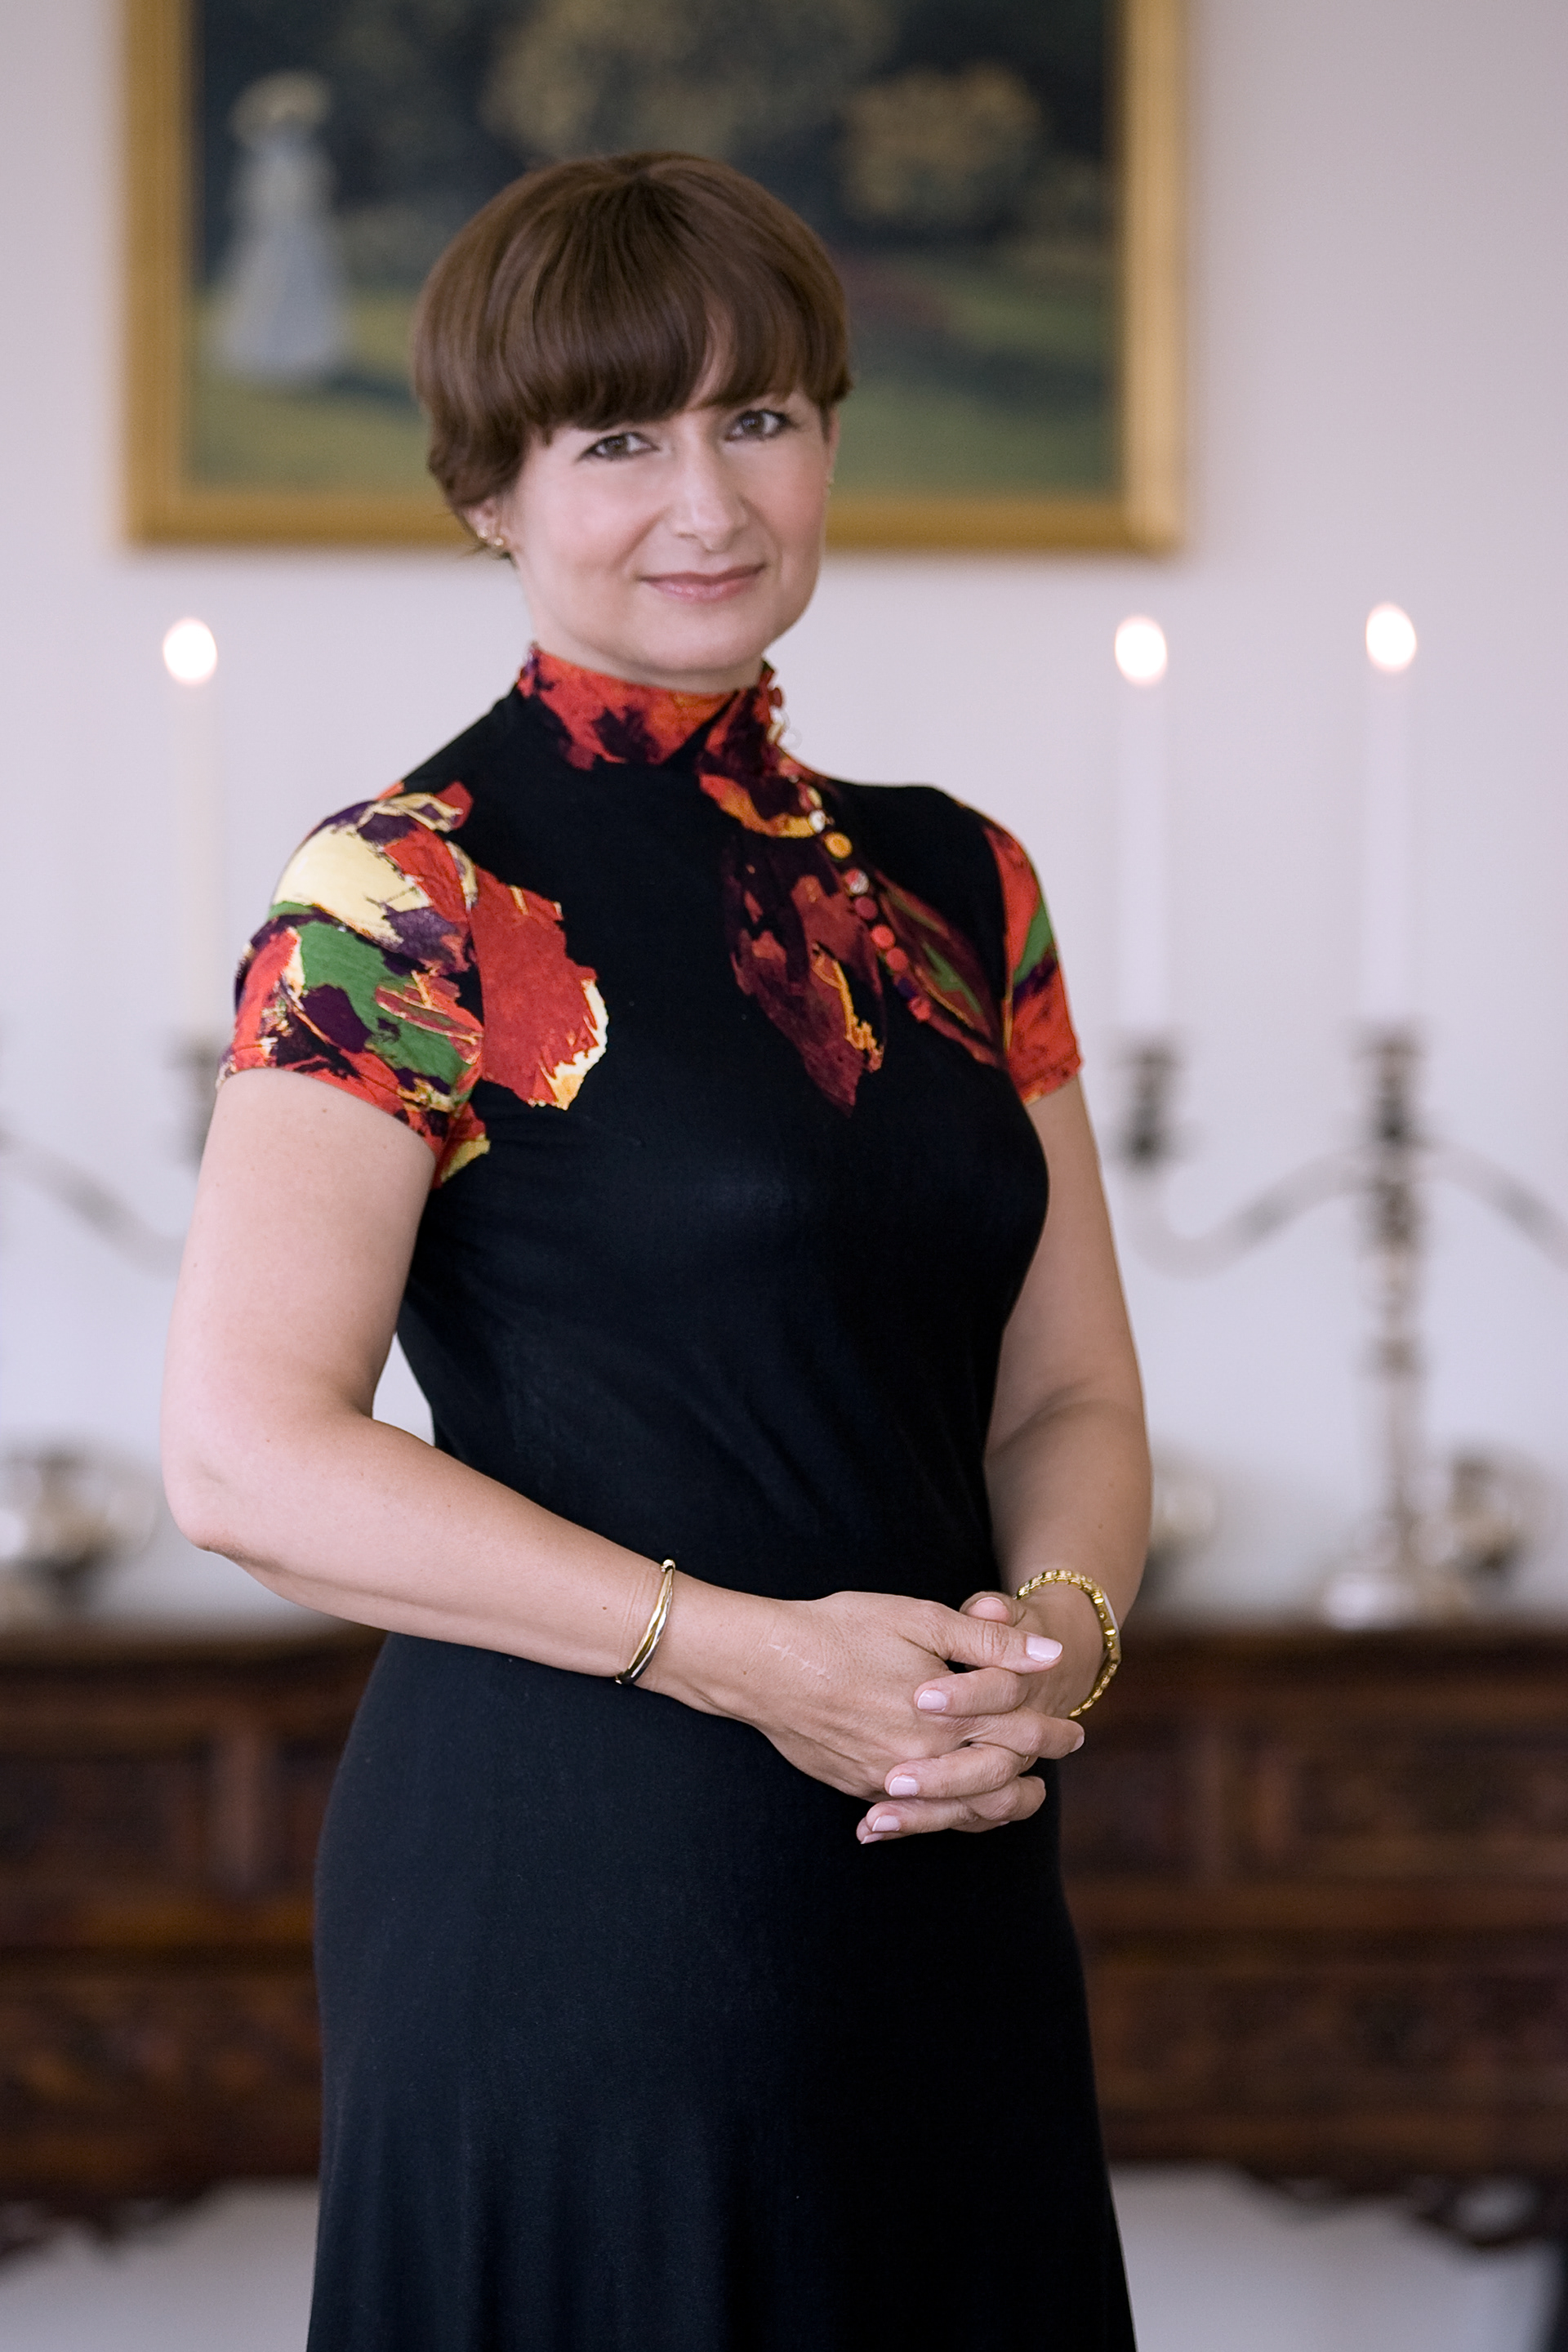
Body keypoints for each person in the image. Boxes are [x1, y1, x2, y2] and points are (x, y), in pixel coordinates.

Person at [163, 150, 1150, 2352]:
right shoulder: (405, 890)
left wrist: (1057, 1653)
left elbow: (1071, 1393)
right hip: (584, 1889)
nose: (708, 502)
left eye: (760, 419)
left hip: (949, 1851)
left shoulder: (962, 885)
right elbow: (243, 1455)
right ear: (488, 491)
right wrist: (749, 1658)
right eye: (618, 438)